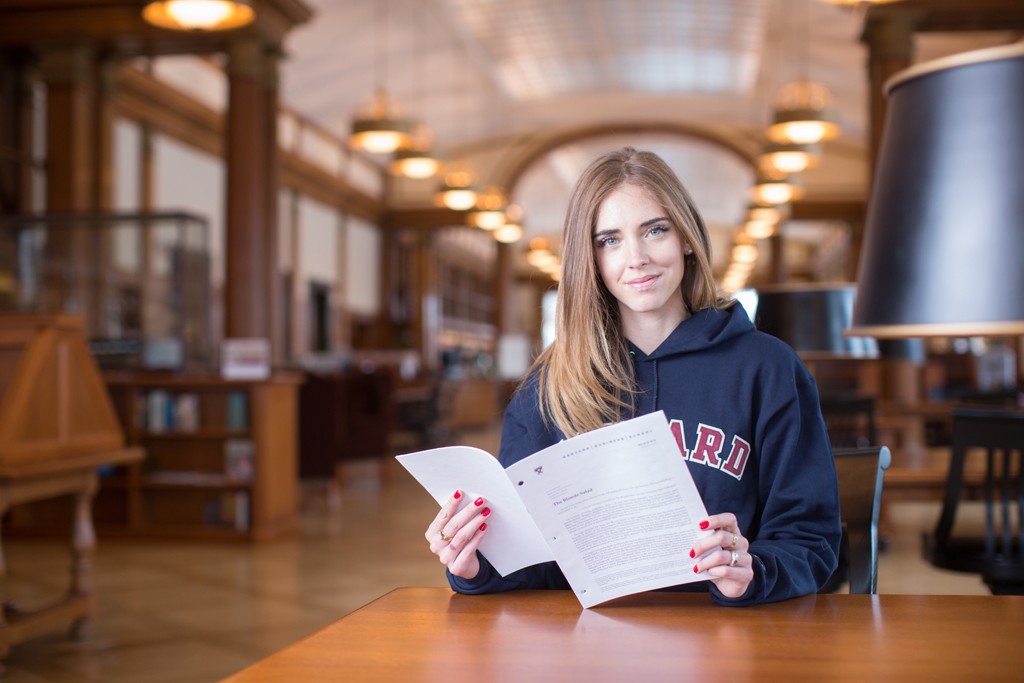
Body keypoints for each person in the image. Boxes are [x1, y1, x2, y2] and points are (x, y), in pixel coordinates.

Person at [425, 147, 841, 605]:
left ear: (685, 236)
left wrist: (754, 571)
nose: (636, 257)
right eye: (610, 240)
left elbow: (812, 541)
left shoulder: (768, 368)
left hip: (728, 638)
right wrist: (476, 564)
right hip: (587, 646)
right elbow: (536, 561)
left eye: (654, 230)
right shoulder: (549, 384)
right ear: (592, 260)